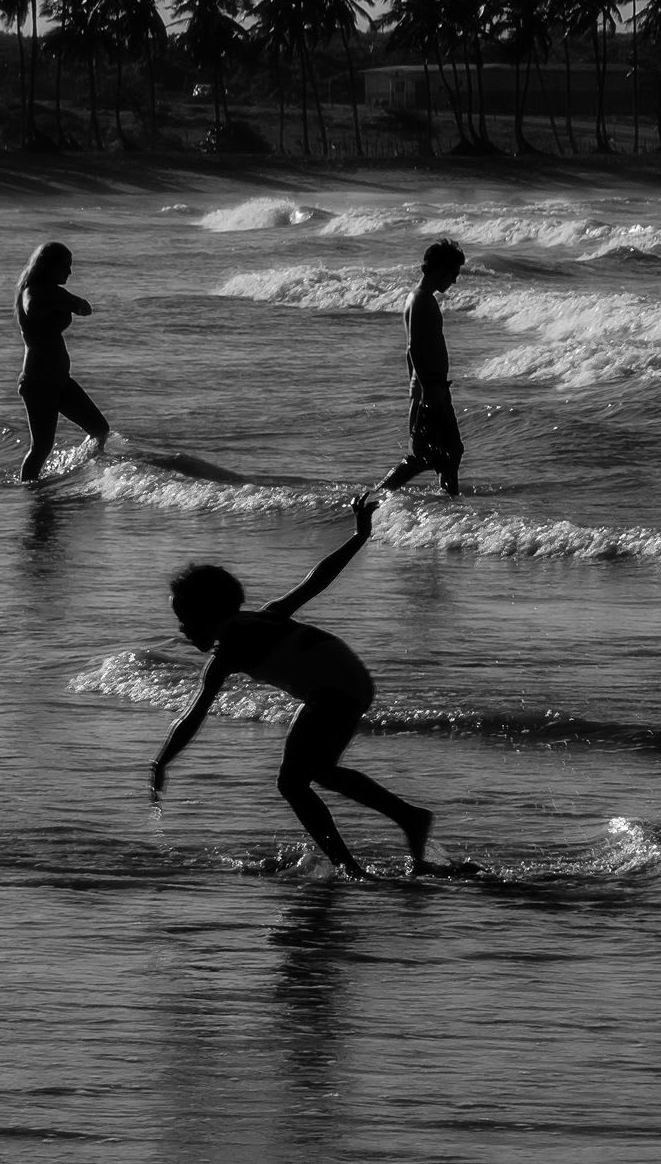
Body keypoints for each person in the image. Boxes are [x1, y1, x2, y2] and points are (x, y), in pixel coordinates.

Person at [150, 493, 435, 879]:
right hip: (343, 683)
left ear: (206, 615)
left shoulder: (229, 654)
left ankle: (356, 861)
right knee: (309, 775)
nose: (181, 628)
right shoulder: (265, 616)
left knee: (296, 780)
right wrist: (359, 535)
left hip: (338, 690)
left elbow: (192, 715)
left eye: (184, 618)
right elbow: (316, 580)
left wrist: (161, 761)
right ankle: (401, 823)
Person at [377, 239, 466, 495]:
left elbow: (409, 352)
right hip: (431, 389)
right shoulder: (420, 299)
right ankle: (377, 495)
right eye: (454, 274)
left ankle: (450, 501)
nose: (454, 281)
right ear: (440, 269)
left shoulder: (422, 298)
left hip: (432, 386)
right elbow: (414, 347)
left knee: (447, 452)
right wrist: (425, 391)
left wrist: (415, 387)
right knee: (424, 456)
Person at [15, 240, 109, 481]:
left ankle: (78, 471)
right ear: (49, 266)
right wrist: (65, 302)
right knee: (41, 447)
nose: (70, 272)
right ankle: (30, 492)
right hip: (38, 382)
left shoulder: (56, 291)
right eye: (65, 266)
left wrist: (71, 301)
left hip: (61, 381)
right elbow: (33, 308)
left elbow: (85, 308)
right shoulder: (32, 290)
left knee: (99, 429)